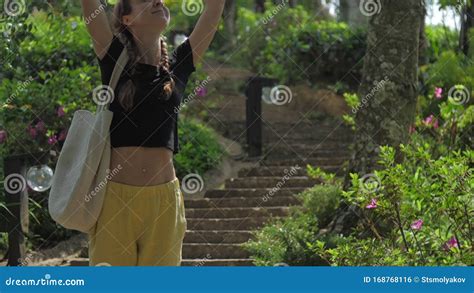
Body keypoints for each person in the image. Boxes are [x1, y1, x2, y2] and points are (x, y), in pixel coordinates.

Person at [80, 0, 225, 266]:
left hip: (164, 203)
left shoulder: (178, 65)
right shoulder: (113, 57)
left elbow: (213, 11)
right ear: (127, 19)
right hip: (115, 200)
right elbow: (90, 7)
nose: (158, 1)